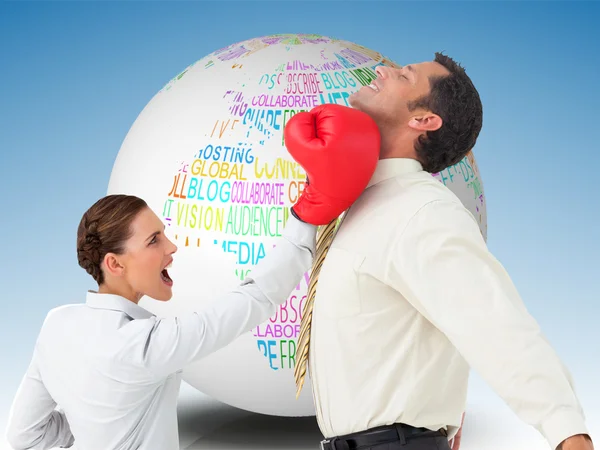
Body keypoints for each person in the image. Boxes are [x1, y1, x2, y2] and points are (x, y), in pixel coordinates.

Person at [5, 107, 380, 450]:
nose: (172, 246)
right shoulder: (143, 345)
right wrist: (308, 214)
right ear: (114, 264)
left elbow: (24, 435)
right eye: (154, 240)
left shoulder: (57, 325)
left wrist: (95, 421)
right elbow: (255, 299)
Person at [286, 53, 593, 450]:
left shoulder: (423, 212)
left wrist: (568, 432)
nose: (382, 70)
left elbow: (496, 323)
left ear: (424, 120)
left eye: (402, 75)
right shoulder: (369, 205)